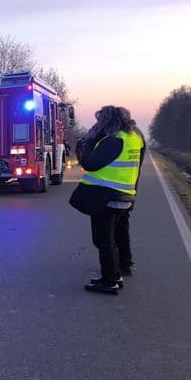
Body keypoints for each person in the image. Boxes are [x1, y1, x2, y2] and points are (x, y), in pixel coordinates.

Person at [70, 106, 146, 294]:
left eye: (99, 121)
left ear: (106, 121)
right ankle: (119, 271)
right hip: (124, 194)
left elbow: (89, 163)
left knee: (103, 240)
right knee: (116, 235)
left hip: (106, 197)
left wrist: (89, 141)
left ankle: (110, 281)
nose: (97, 124)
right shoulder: (135, 138)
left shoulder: (113, 141)